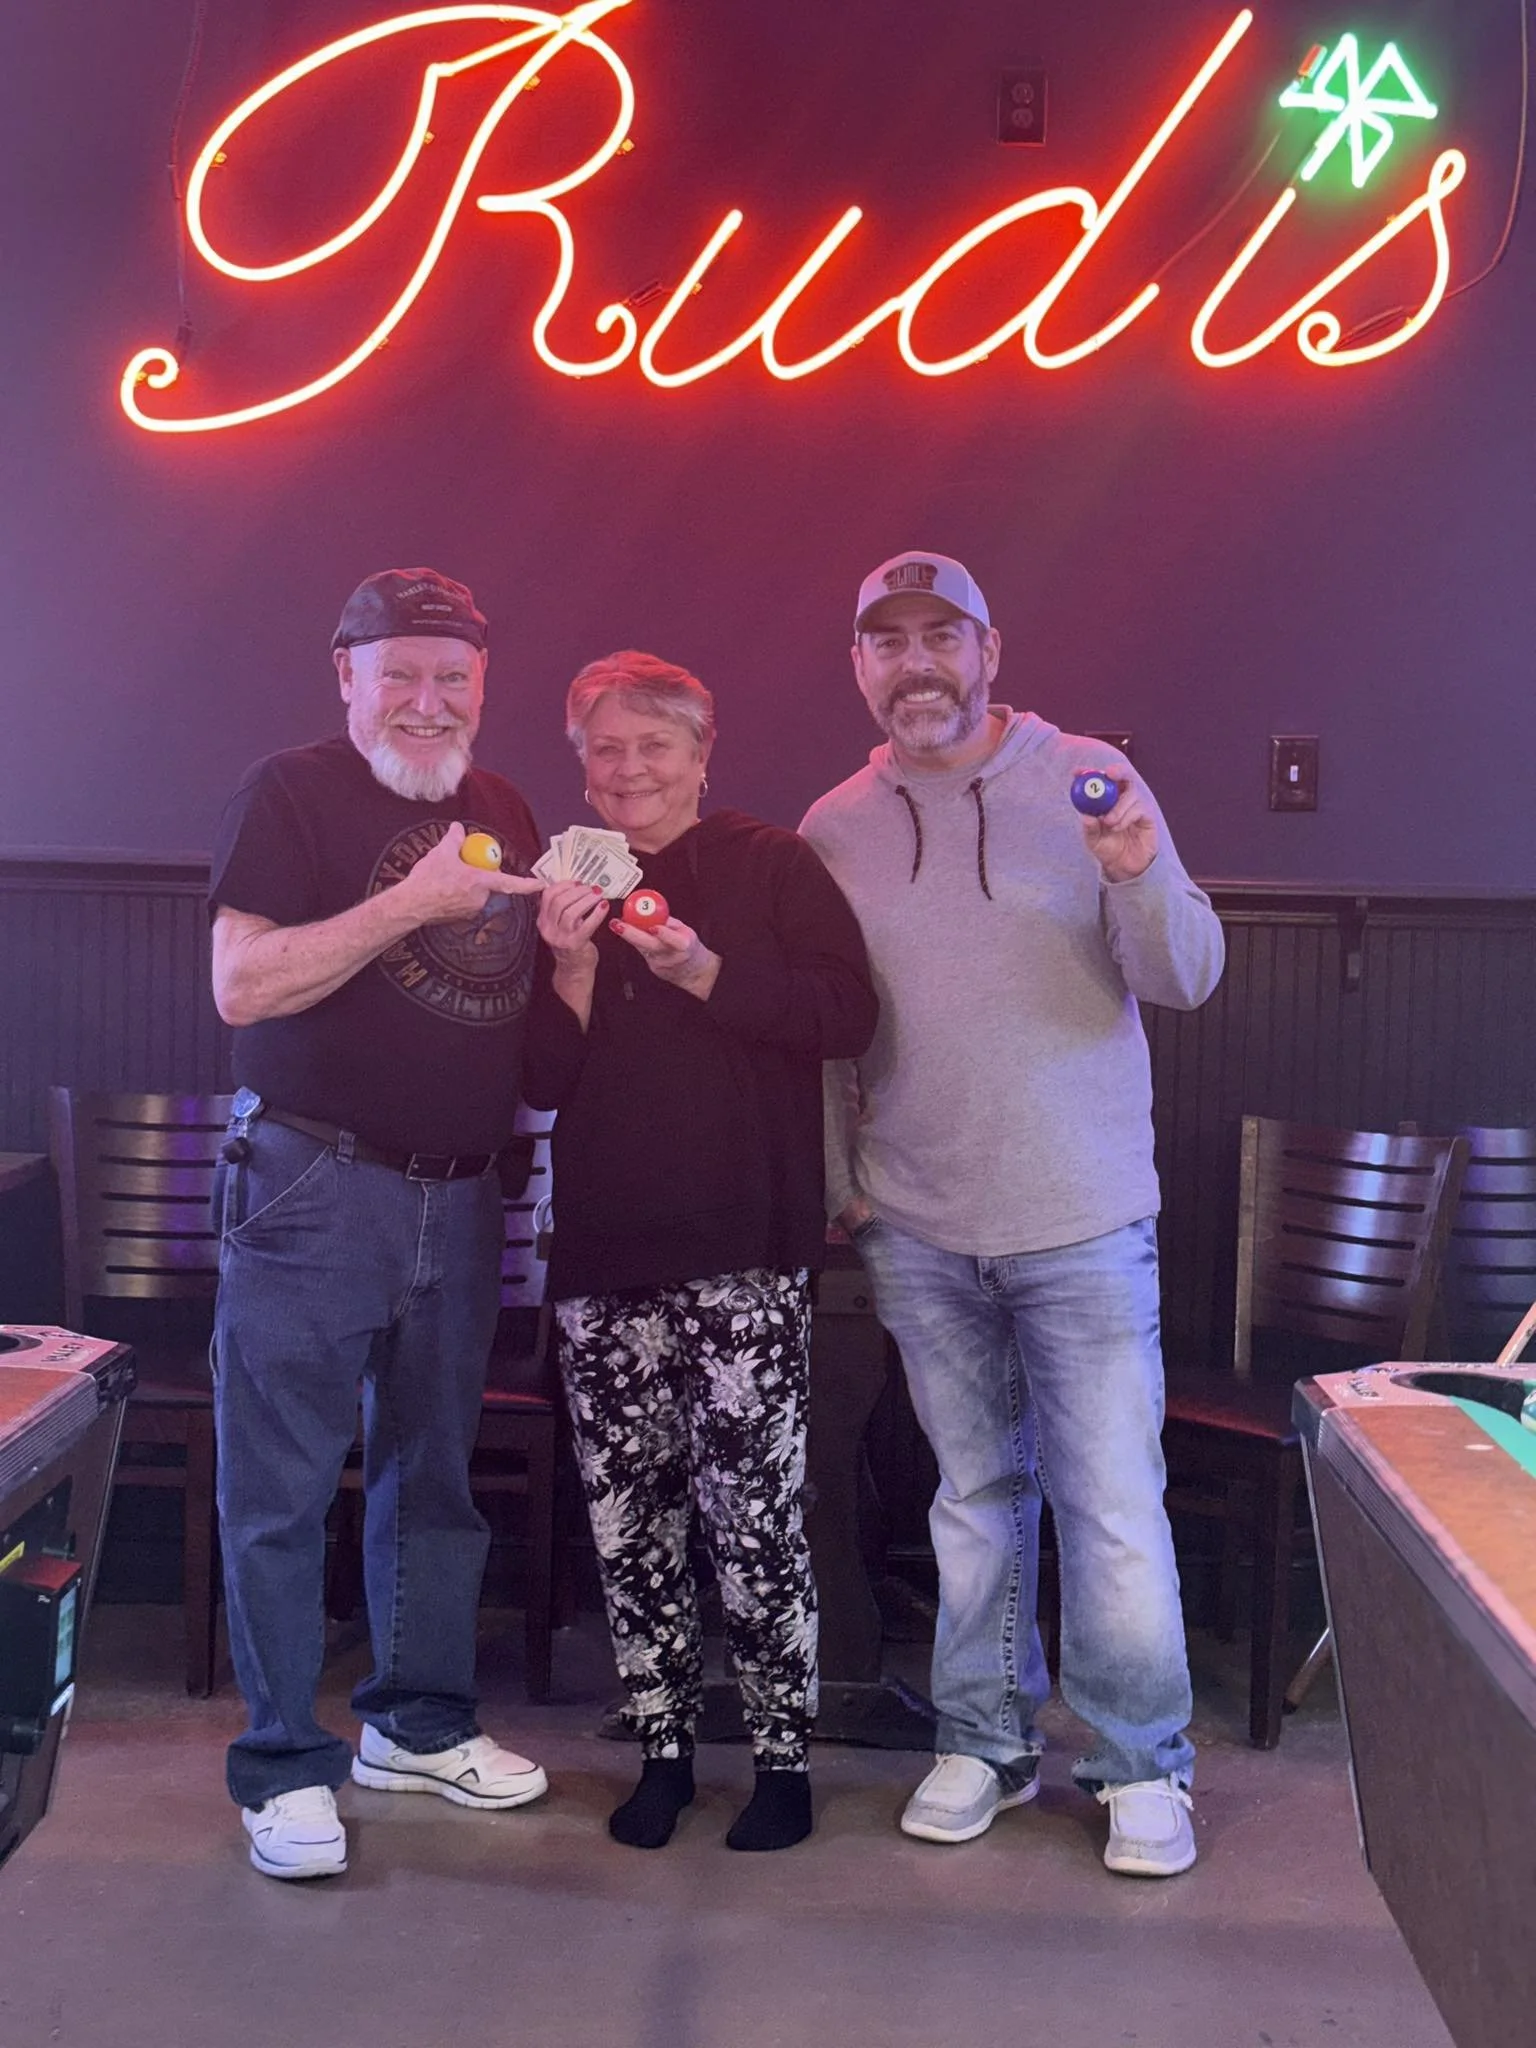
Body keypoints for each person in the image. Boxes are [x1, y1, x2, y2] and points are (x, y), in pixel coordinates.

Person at [800, 551, 1225, 1878]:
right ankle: (981, 1745)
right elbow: (826, 1037)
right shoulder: (833, 826)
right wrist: (838, 1185)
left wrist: (1140, 869)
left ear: (991, 649)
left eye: (942, 635)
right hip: (917, 1221)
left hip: (1085, 1216)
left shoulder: (1089, 775)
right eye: (888, 640)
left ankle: (1140, 1763)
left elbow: (1187, 973)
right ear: (861, 666)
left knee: (1110, 1503)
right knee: (973, 1501)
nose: (916, 661)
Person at [208, 567, 551, 1882]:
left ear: (482, 688)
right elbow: (243, 983)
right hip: (313, 1183)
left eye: (450, 677)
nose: (425, 699)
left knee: (434, 1479)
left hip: (464, 1194)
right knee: (281, 1490)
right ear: (344, 675)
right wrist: (409, 906)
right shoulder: (287, 791)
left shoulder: (503, 805)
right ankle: (283, 1766)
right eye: (398, 672)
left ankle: (413, 1726)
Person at [523, 651, 877, 1852]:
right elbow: (541, 1079)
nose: (628, 769)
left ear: (701, 752)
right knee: (628, 1514)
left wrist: (703, 968)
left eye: (651, 745)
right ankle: (663, 1749)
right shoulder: (561, 889)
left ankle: (784, 1760)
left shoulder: (771, 863)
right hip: (603, 1250)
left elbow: (847, 1014)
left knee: (757, 1513)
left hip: (745, 1243)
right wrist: (569, 963)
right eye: (604, 750)